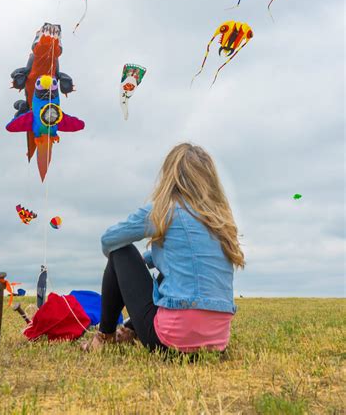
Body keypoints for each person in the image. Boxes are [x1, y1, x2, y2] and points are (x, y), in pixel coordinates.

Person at [84, 143, 244, 353]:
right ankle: (132, 329)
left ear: (171, 177)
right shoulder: (219, 220)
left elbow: (109, 240)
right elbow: (184, 258)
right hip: (217, 341)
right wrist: (146, 261)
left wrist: (124, 269)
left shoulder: (165, 209)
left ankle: (104, 337)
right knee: (169, 276)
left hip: (172, 339)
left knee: (122, 252)